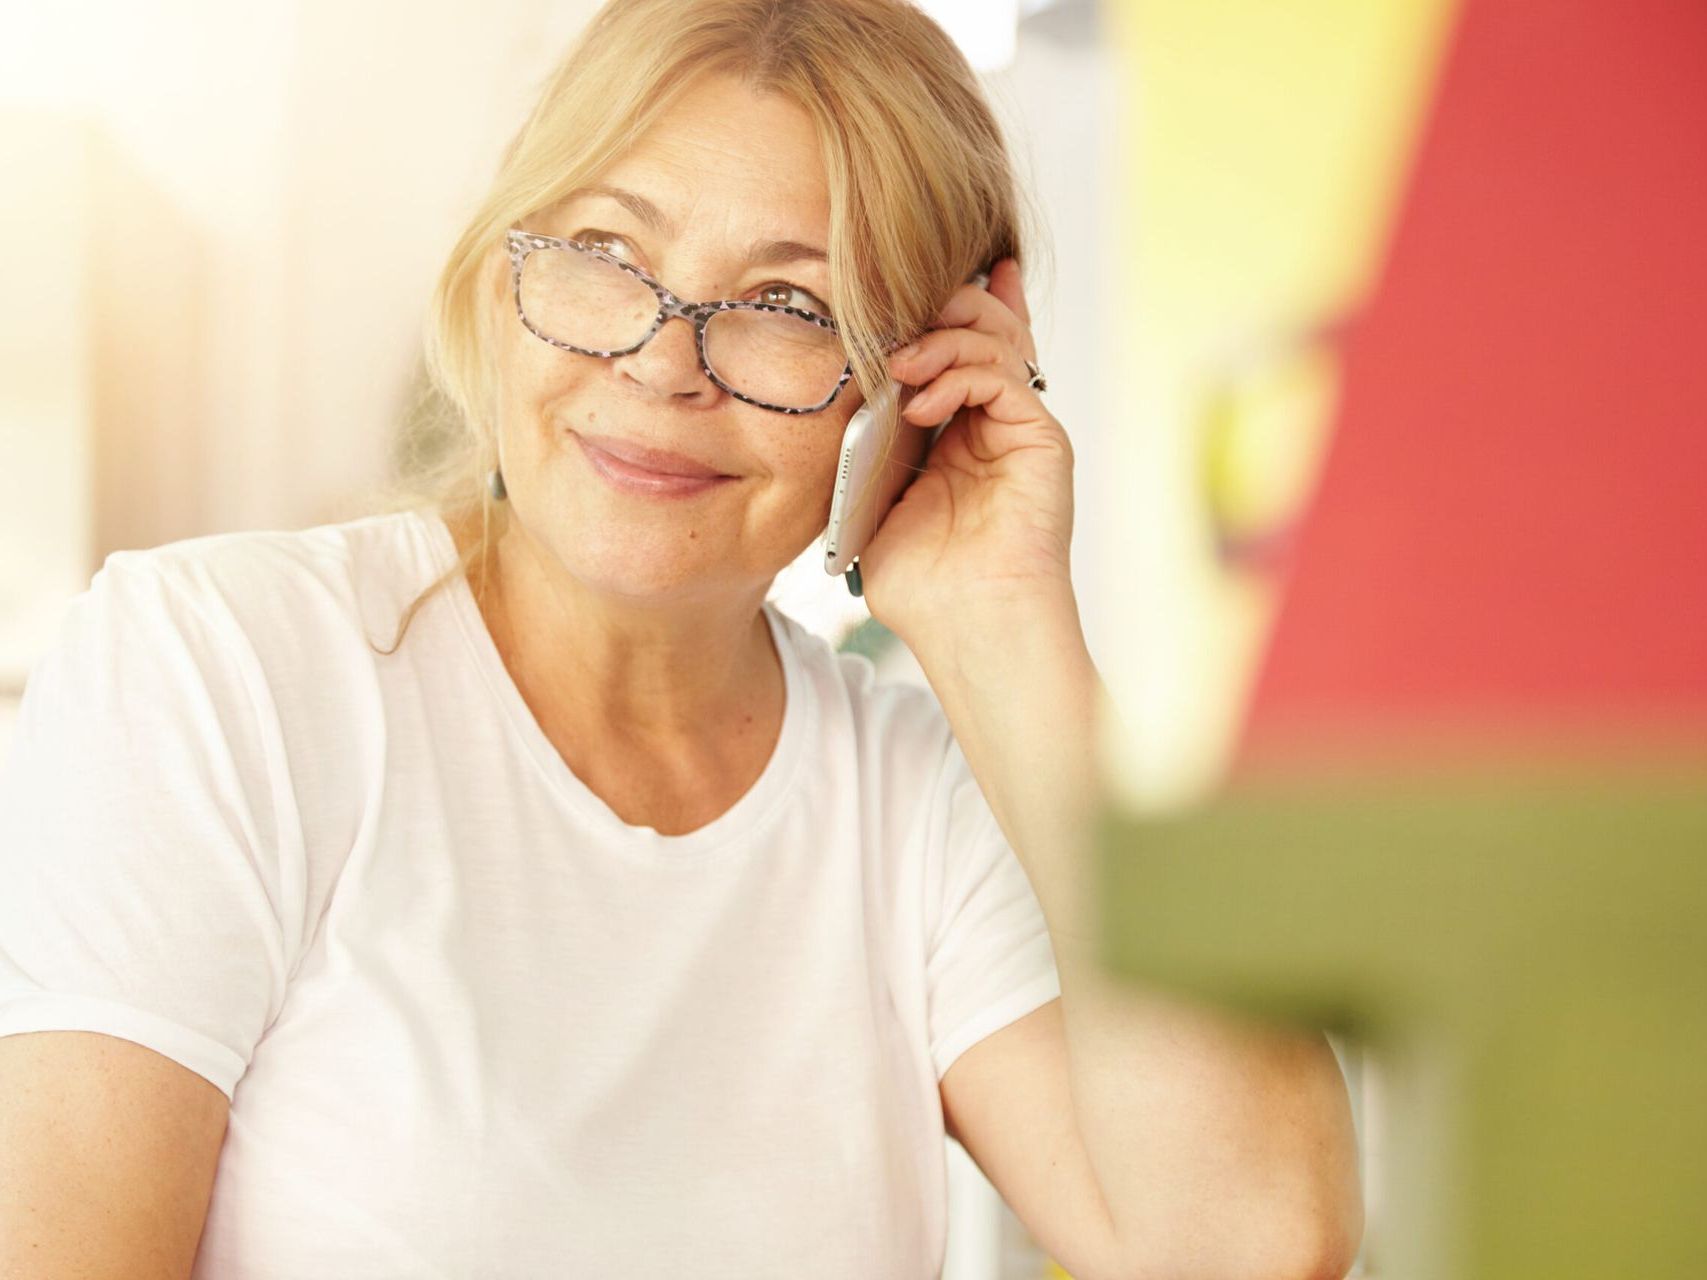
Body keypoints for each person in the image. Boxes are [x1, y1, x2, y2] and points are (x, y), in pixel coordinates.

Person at [0, 1, 1362, 1277]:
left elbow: (1255, 1242)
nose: (664, 363)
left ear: (915, 393)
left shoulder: (917, 794)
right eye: (606, 256)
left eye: (787, 307)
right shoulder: (220, 667)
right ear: (498, 275)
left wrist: (1005, 617)